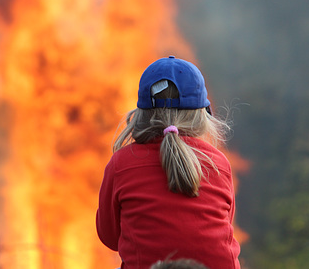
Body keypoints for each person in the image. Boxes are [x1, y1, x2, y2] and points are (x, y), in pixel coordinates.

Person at [96, 56, 241, 269]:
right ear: (201, 115)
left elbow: (109, 237)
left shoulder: (122, 163)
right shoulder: (218, 162)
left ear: (141, 114)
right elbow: (222, 231)